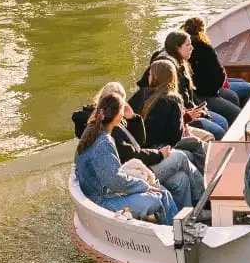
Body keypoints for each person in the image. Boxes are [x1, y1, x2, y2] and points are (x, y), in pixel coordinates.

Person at [72, 82, 202, 208]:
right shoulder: (106, 133)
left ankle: (187, 216)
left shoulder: (112, 123)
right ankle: (203, 199)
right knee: (180, 158)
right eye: (119, 103)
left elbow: (140, 142)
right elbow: (124, 162)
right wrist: (159, 154)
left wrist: (133, 118)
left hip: (126, 170)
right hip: (121, 176)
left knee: (181, 179)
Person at [75, 94, 177, 222]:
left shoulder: (92, 129)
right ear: (118, 115)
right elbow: (115, 182)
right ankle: (174, 236)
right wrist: (143, 186)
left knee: (162, 192)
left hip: (99, 191)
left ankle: (176, 227)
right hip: (102, 201)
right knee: (159, 197)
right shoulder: (103, 142)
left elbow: (111, 176)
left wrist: (141, 184)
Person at [130, 58, 210, 176]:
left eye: (150, 74)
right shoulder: (173, 99)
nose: (148, 77)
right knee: (197, 143)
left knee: (180, 179)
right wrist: (185, 122)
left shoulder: (141, 94)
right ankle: (205, 177)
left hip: (141, 147)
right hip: (161, 147)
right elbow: (175, 137)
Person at [160, 30, 231, 136]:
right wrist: (193, 113)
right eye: (188, 45)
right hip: (183, 115)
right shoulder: (170, 70)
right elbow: (176, 102)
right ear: (177, 48)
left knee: (223, 121)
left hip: (191, 108)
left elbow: (190, 94)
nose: (192, 48)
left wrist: (201, 108)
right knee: (220, 128)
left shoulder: (182, 64)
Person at [182, 15, 250, 115]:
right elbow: (218, 78)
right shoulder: (204, 49)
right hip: (204, 94)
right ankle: (240, 119)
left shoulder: (185, 49)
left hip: (200, 90)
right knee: (244, 93)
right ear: (202, 30)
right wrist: (219, 85)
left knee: (240, 83)